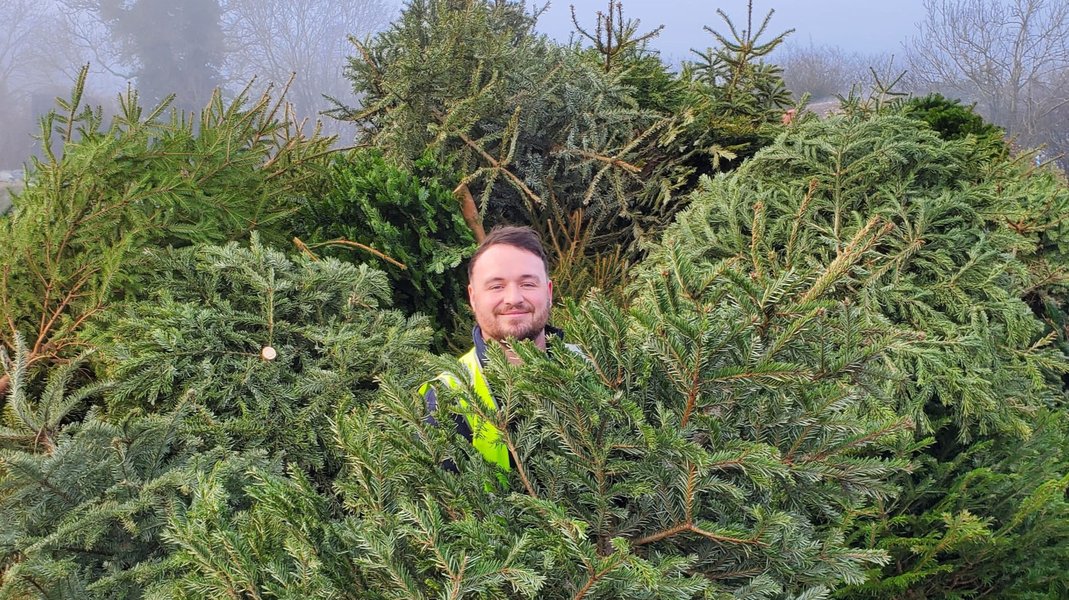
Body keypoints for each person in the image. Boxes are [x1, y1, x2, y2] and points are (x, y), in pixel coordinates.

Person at [420, 225, 575, 473]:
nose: (513, 298)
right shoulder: (445, 396)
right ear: (473, 297)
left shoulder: (597, 367)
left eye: (528, 284)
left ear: (548, 292)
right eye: (496, 286)